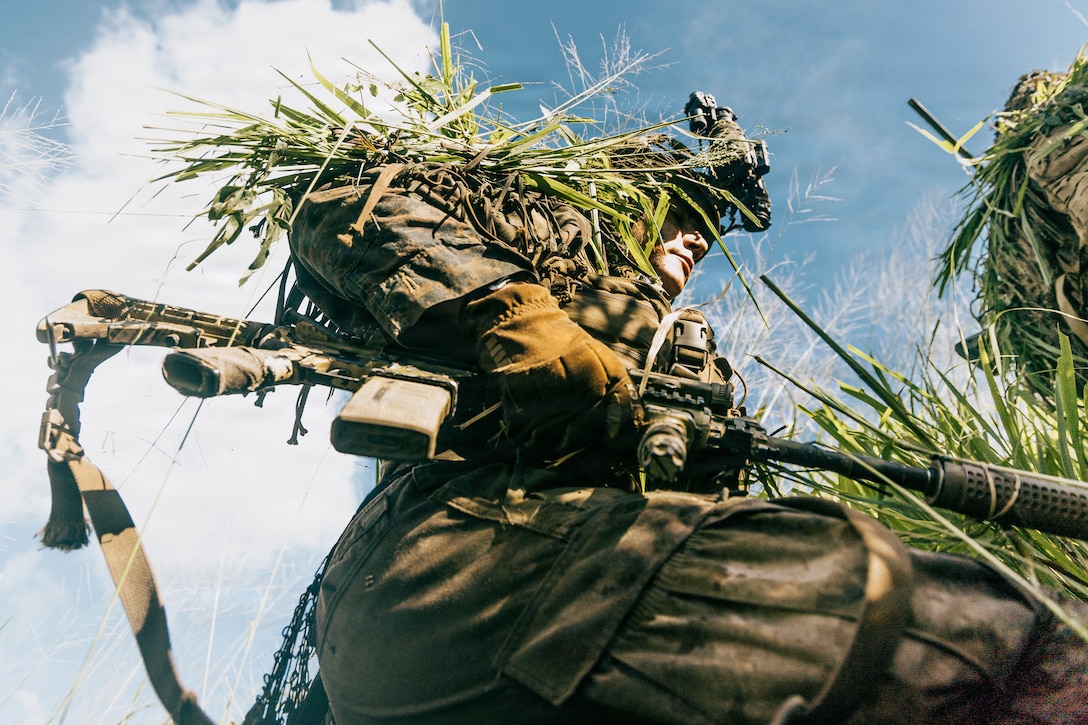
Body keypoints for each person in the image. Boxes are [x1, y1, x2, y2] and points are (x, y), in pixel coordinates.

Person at [283, 99, 1088, 725]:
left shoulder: (687, 343)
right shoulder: (546, 236)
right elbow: (340, 198)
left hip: (598, 589)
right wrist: (515, 316)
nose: (699, 239)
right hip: (451, 566)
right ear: (626, 200)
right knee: (973, 641)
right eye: (684, 213)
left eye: (711, 230)